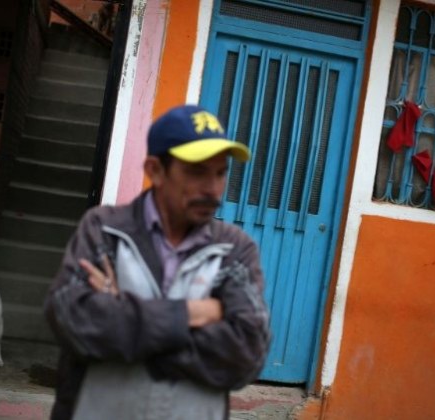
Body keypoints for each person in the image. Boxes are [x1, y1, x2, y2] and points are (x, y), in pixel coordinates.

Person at [44, 104, 271, 420]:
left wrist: (124, 316)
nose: (213, 189)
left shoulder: (234, 248)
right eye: (196, 171)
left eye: (220, 173)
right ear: (155, 170)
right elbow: (71, 319)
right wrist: (193, 313)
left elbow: (248, 352)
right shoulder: (105, 229)